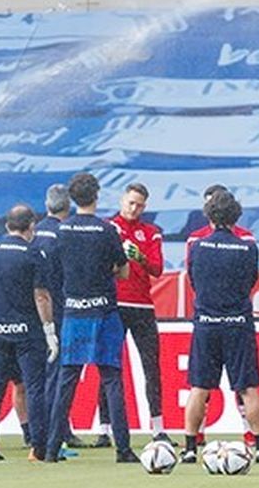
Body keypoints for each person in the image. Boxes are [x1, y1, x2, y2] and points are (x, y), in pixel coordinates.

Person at [44, 172, 140, 464]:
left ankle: (50, 449)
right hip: (104, 312)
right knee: (111, 379)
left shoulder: (62, 231)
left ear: (73, 199)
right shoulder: (107, 230)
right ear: (96, 196)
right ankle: (123, 449)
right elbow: (123, 271)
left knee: (67, 380)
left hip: (74, 312)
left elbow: (55, 274)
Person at [182, 190, 259, 465]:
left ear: (209, 216)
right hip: (237, 323)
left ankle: (190, 448)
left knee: (199, 387)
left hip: (207, 323)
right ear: (236, 216)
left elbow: (194, 282)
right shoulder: (247, 247)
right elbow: (251, 282)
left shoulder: (198, 247)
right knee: (248, 388)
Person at [0, 204, 55, 462]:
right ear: (31, 226)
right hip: (27, 331)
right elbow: (41, 296)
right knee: (34, 387)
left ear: (7, 225)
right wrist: (49, 329)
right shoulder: (33, 253)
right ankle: (37, 448)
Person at [107, 182, 167, 443]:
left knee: (151, 367)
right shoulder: (109, 228)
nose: (134, 208)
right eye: (131, 202)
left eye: (140, 205)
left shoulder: (151, 232)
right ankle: (104, 429)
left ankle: (158, 428)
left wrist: (140, 257)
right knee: (109, 365)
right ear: (122, 201)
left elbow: (157, 269)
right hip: (115, 304)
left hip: (143, 306)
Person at [34, 182, 88, 453]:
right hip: (61, 312)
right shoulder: (65, 234)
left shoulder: (33, 233)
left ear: (46, 205)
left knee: (41, 375)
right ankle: (53, 434)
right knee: (58, 375)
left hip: (34, 313)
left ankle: (51, 431)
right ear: (69, 206)